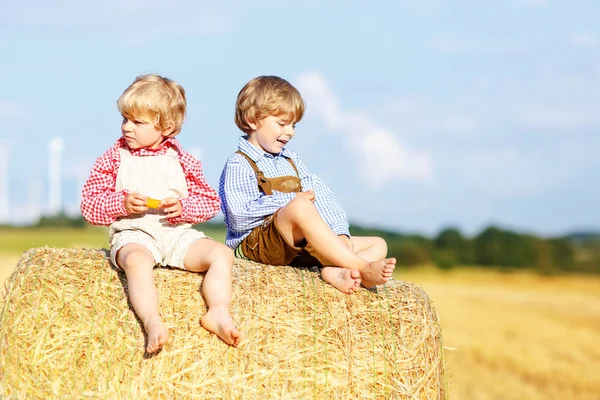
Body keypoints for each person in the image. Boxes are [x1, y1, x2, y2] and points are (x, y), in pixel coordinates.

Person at [81, 74, 241, 353]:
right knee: (137, 262)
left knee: (222, 254)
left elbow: (209, 202)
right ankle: (152, 320)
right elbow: (90, 205)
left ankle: (217, 310)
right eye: (124, 119)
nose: (127, 128)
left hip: (176, 234)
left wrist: (184, 208)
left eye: (137, 122)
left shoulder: (183, 160)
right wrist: (122, 204)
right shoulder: (113, 158)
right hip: (135, 234)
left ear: (166, 127)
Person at [219, 75, 396, 294]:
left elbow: (322, 195)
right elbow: (238, 217)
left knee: (378, 244)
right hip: (260, 245)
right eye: (282, 123)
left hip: (296, 246)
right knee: (301, 207)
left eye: (293, 125)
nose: (290, 131)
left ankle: (334, 270)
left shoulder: (291, 161)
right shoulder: (240, 162)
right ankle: (361, 267)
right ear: (253, 120)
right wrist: (290, 200)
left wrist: (341, 235)